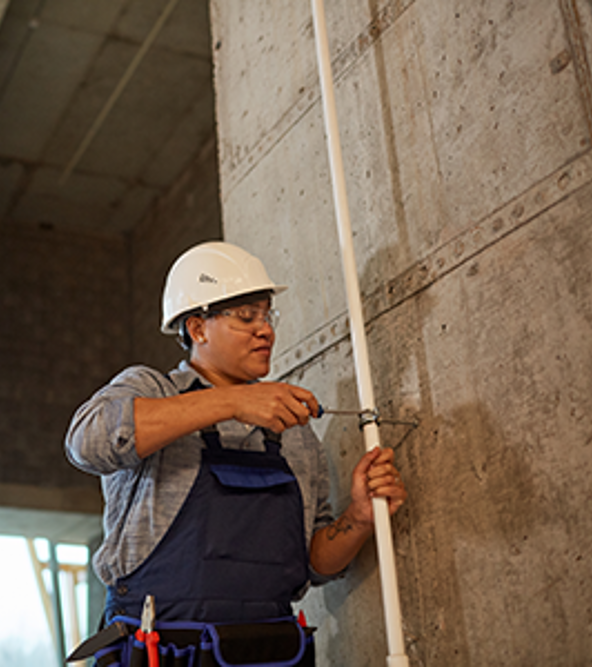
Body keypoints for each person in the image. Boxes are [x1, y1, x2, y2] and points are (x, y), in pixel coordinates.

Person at [64, 241, 407, 663]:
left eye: (267, 315)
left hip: (271, 654)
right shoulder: (152, 391)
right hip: (162, 654)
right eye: (246, 317)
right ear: (197, 328)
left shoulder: (293, 433)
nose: (265, 330)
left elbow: (313, 565)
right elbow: (87, 443)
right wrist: (232, 402)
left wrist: (357, 518)